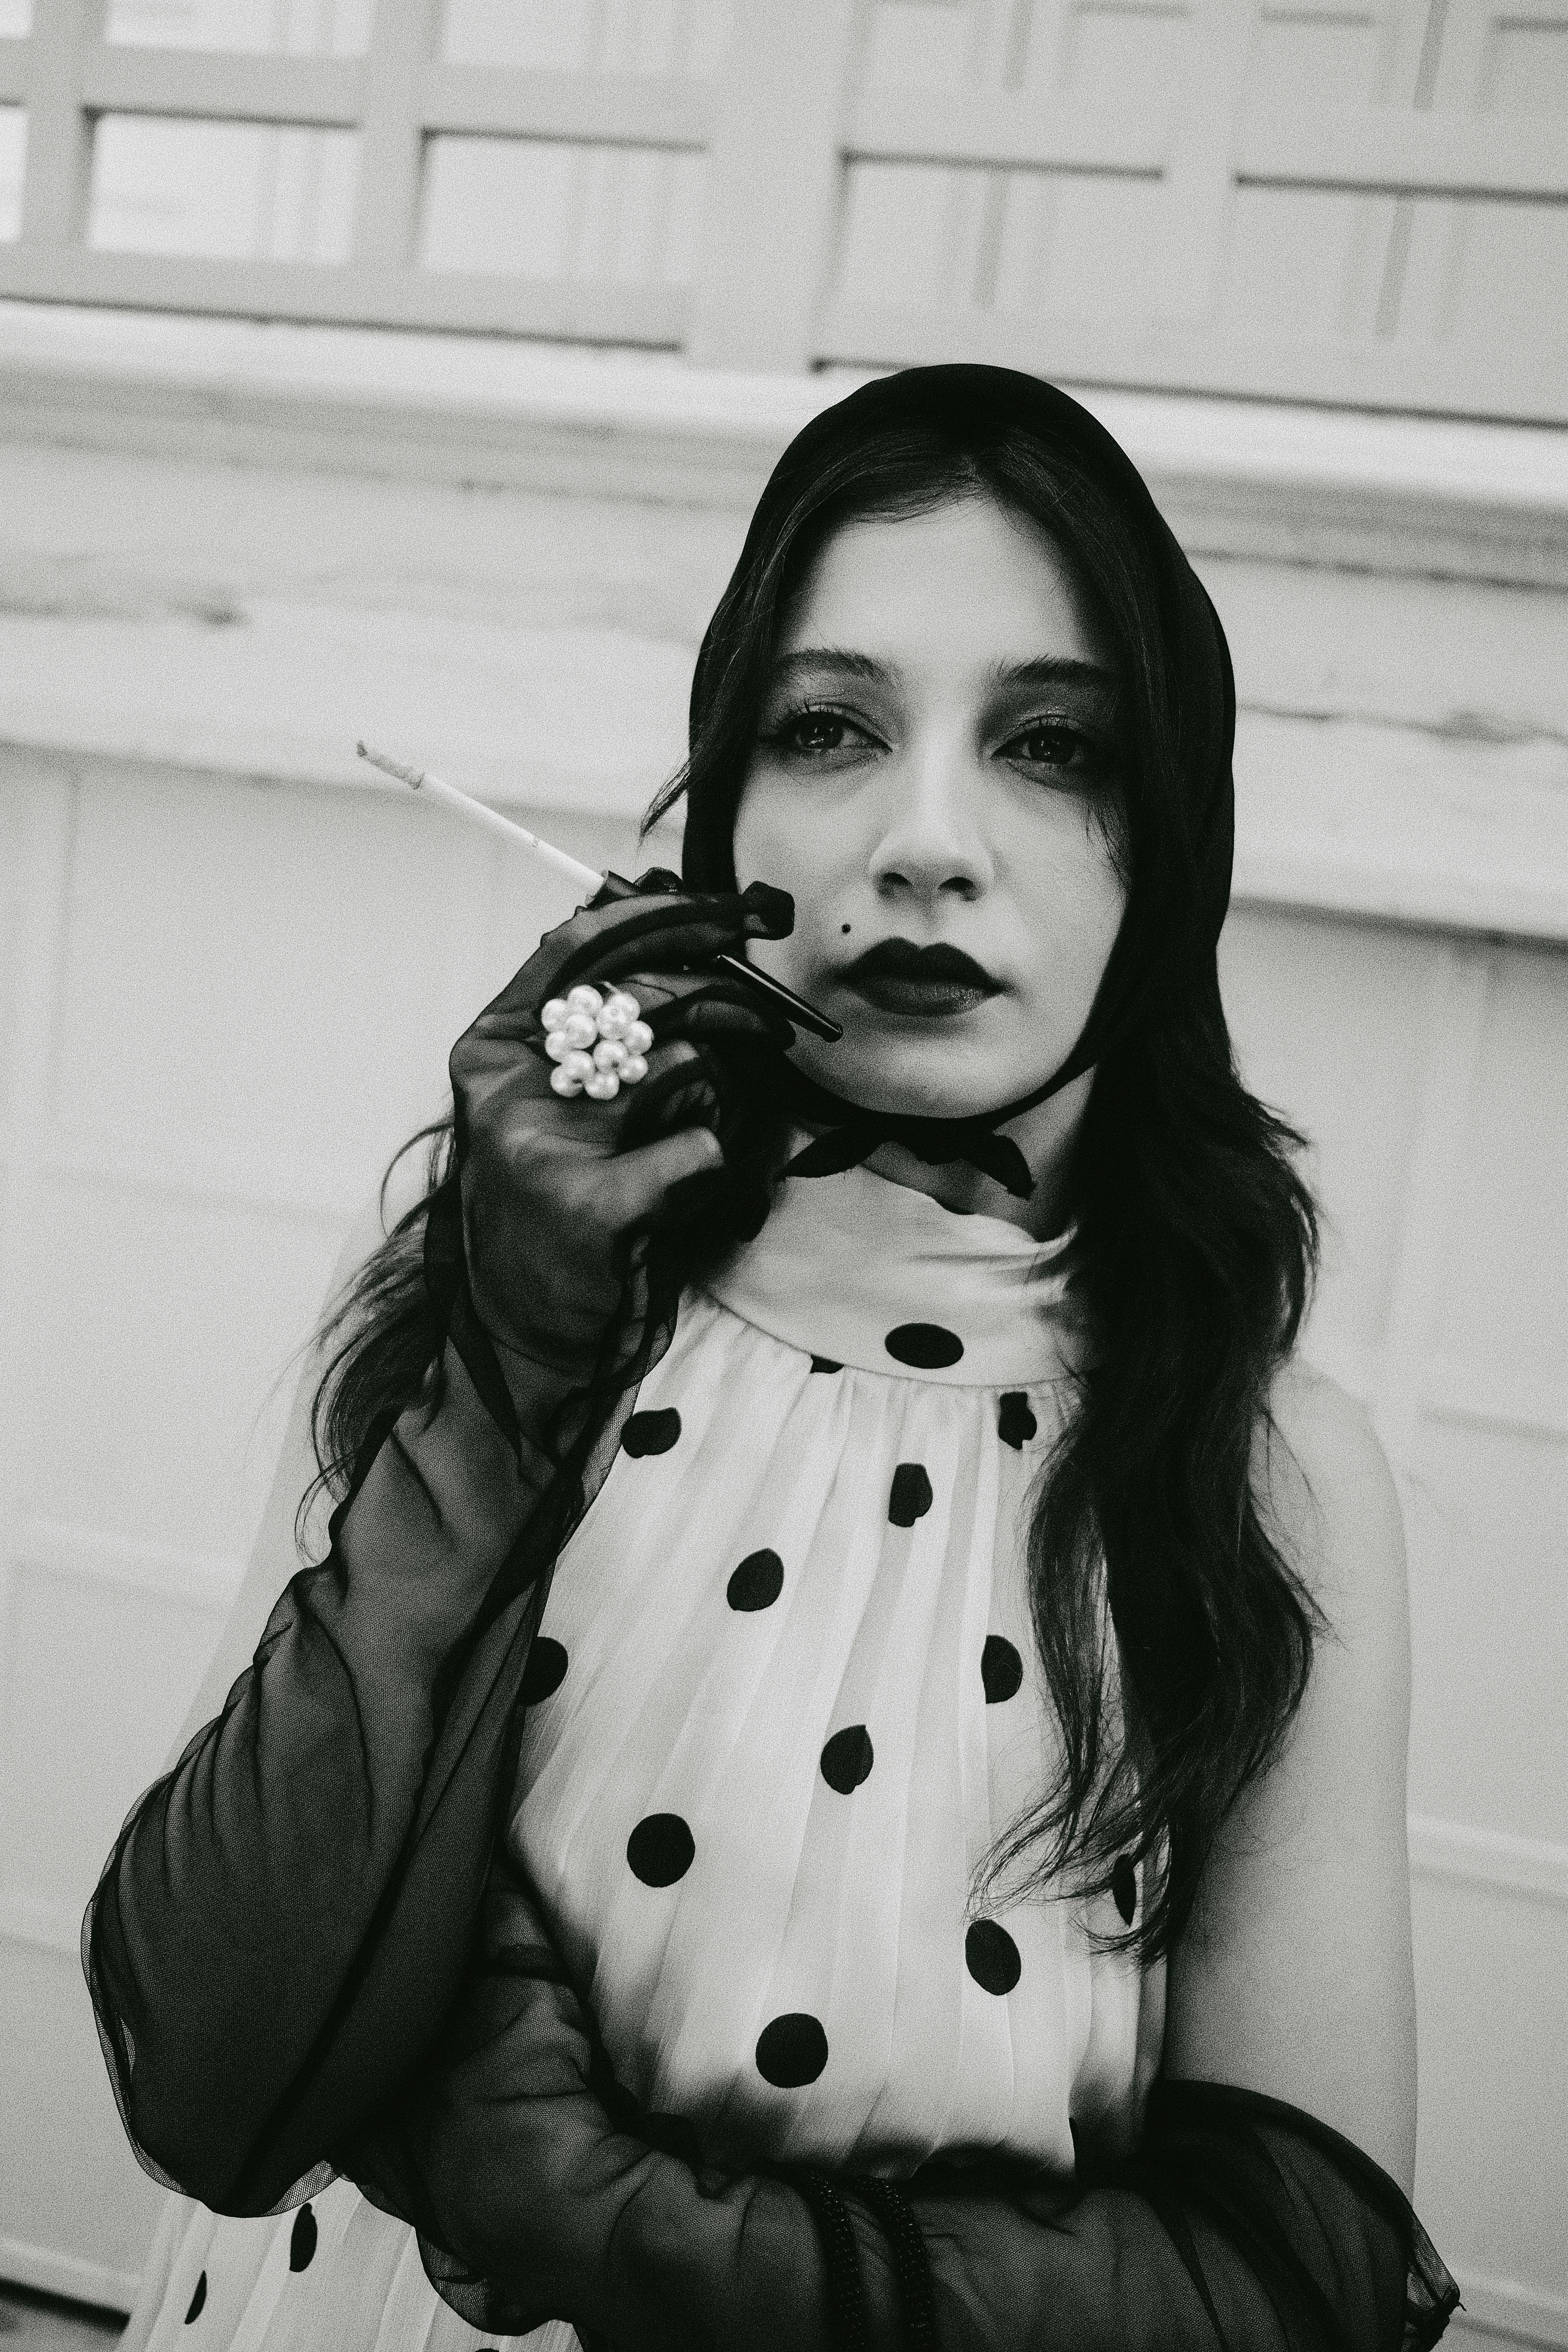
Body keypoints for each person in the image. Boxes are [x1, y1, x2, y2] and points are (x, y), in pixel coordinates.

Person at [86, 366, 1460, 2351]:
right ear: (725, 806)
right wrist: (510, 1358)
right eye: (831, 729)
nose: (925, 843)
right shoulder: (517, 1281)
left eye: (1053, 744)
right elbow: (212, 2077)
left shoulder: (1268, 1477)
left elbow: (1289, 2274)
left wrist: (630, 2229)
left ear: (1172, 845)